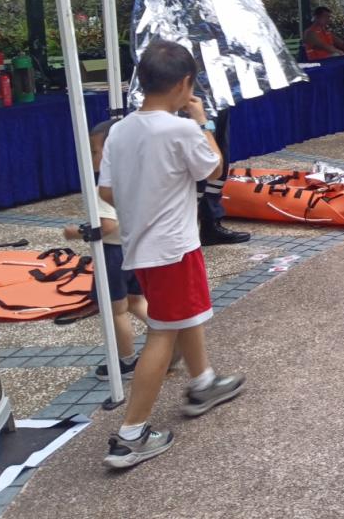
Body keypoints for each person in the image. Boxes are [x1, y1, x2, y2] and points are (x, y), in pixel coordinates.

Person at [100, 40, 245, 470]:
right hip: (173, 247)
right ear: (184, 84)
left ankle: (203, 381)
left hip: (142, 246)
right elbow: (214, 168)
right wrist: (204, 123)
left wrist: (142, 200)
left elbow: (107, 190)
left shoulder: (120, 130)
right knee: (163, 332)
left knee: (183, 315)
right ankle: (131, 435)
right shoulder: (180, 129)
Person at [62, 119, 149, 381]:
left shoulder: (103, 189)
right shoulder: (139, 179)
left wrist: (76, 232)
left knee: (116, 310)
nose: (91, 157)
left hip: (113, 255)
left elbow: (107, 225)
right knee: (136, 301)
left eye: (94, 151)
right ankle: (170, 336)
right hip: (135, 249)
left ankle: (126, 361)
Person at [195, 107, 249, 247]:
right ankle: (192, 225)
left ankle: (211, 224)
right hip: (192, 102)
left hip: (215, 99)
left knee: (219, 152)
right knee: (203, 156)